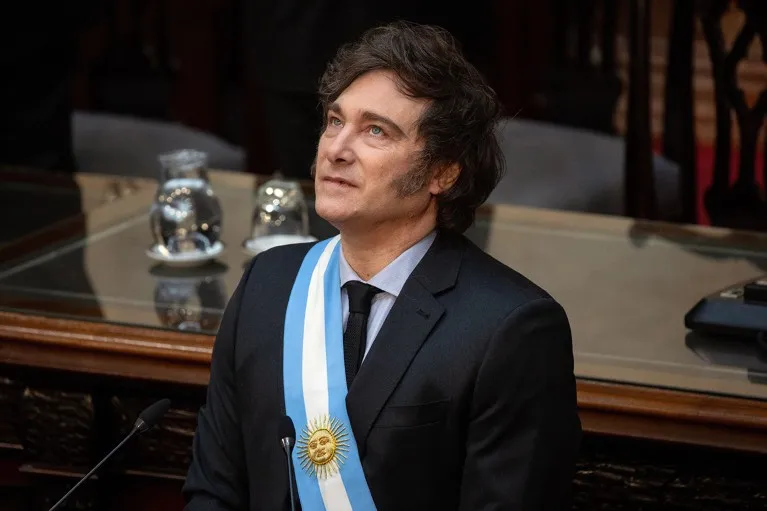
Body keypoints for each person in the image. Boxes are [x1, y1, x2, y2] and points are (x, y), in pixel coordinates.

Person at [183, 21, 581, 510]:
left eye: (375, 130)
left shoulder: (512, 329)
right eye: (334, 120)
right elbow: (214, 490)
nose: (336, 149)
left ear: (443, 171)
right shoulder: (268, 284)